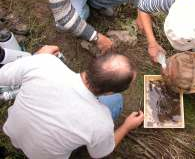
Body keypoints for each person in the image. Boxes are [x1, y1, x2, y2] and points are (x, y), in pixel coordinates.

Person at [0, 45, 144, 158]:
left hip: (14, 134)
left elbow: (2, 76)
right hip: (43, 156)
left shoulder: (44, 63)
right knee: (116, 102)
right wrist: (126, 126)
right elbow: (99, 154)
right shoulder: (101, 122)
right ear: (109, 92)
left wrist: (37, 57)